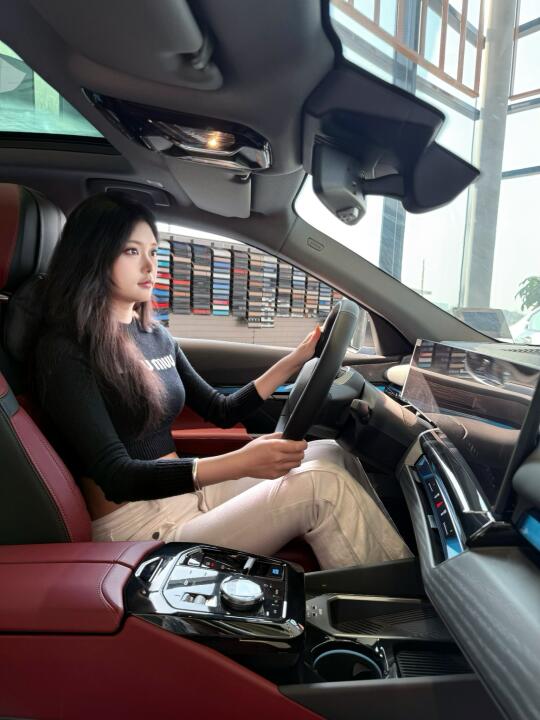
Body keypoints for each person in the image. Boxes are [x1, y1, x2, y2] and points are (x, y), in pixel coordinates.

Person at [33, 193, 411, 570]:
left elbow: (222, 409)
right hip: (139, 528)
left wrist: (298, 358)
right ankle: (392, 600)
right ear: (94, 255)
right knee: (321, 486)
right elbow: (117, 477)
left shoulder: (155, 335)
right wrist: (241, 462)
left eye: (153, 251)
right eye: (132, 251)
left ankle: (393, 577)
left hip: (188, 491)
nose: (150, 265)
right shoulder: (65, 349)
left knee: (327, 452)